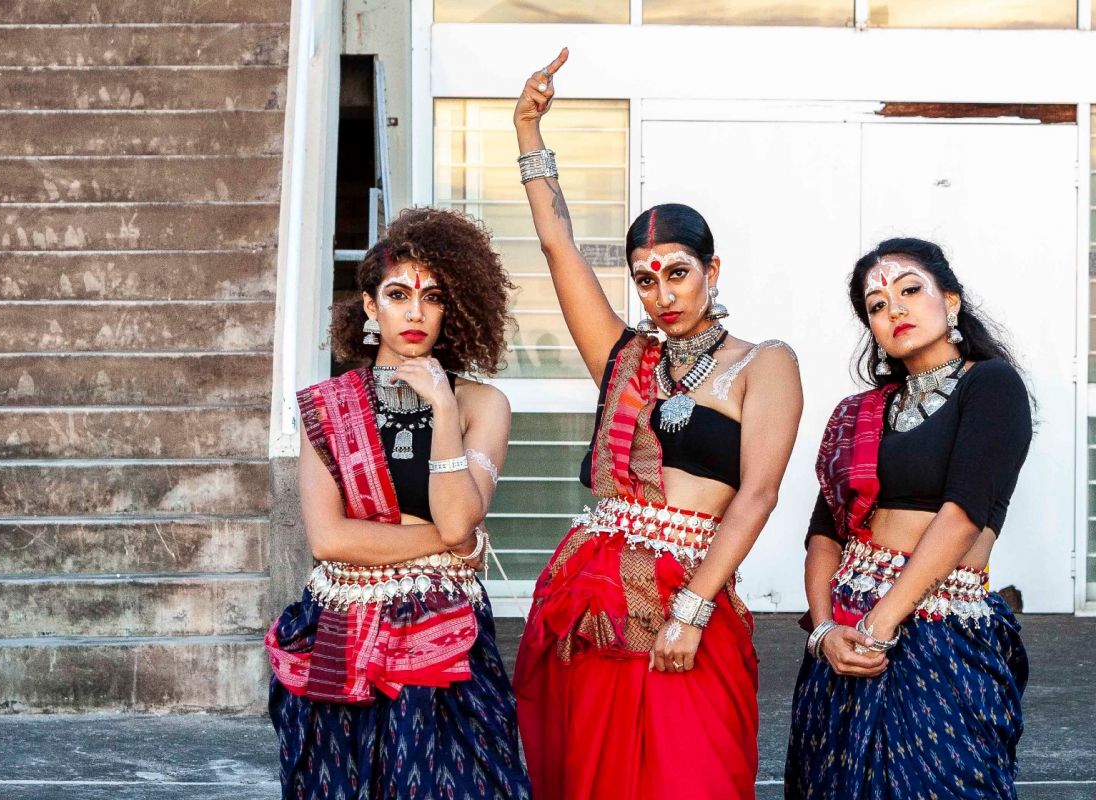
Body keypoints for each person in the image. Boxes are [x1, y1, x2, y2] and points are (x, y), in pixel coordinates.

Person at [512, 49, 803, 800]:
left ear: (713, 270)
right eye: (646, 278)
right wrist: (526, 132)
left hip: (690, 595)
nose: (662, 292)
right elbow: (557, 248)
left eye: (678, 271)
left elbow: (758, 496)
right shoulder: (626, 357)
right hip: (595, 603)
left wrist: (693, 610)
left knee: (693, 774)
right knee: (593, 777)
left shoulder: (763, 364)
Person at [265, 207, 532, 800]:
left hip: (445, 638)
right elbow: (330, 540)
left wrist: (440, 403)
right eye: (397, 294)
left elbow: (461, 514)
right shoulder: (327, 407)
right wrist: (448, 542)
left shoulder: (478, 405)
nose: (415, 312)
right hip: (341, 633)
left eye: (432, 296)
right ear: (369, 306)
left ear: (450, 308)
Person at [786, 237, 1032, 799]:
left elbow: (964, 514)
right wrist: (825, 631)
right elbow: (825, 532)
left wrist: (881, 626)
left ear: (950, 300)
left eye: (909, 290)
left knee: (941, 781)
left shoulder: (990, 384)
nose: (894, 309)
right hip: (846, 632)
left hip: (939, 630)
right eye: (876, 305)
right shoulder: (860, 413)